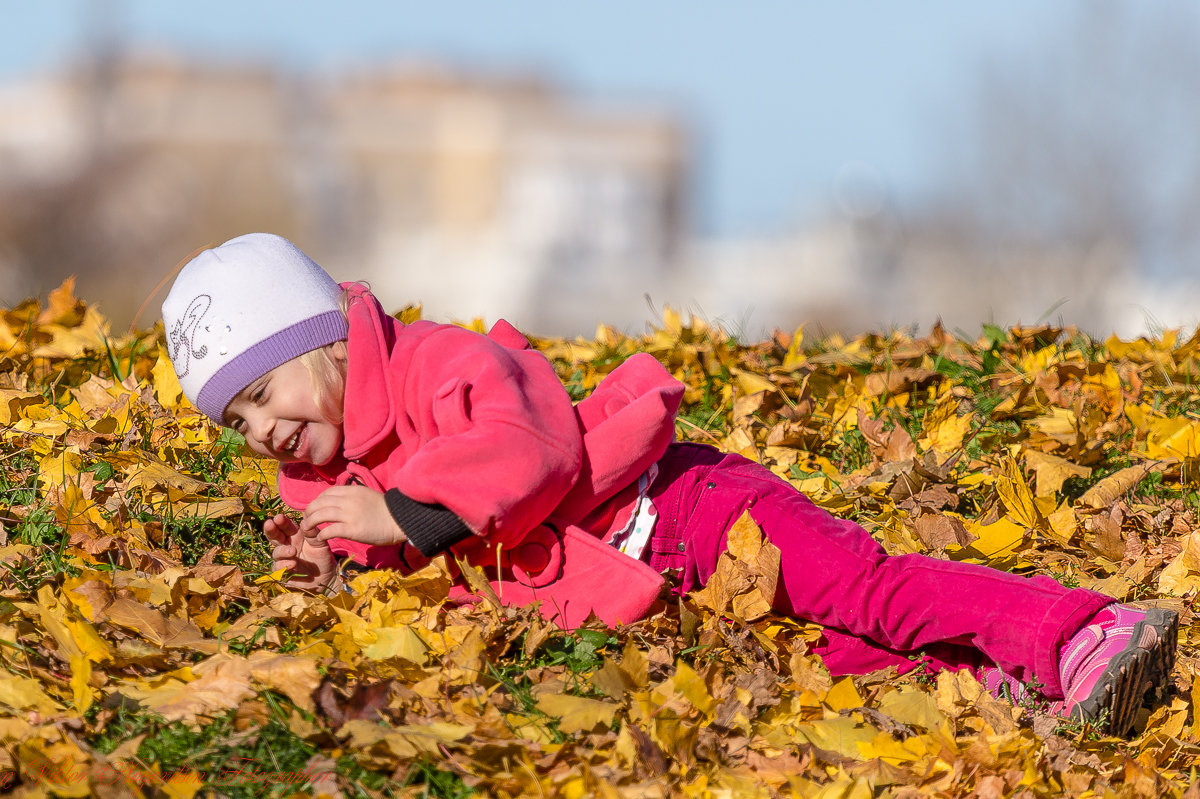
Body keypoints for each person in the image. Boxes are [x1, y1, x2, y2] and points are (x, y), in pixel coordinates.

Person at [161, 233, 1178, 737]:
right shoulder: (326, 475)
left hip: (687, 506)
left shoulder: (439, 361)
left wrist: (397, 512)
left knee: (867, 590)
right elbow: (409, 564)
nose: (262, 430)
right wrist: (335, 561)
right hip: (654, 593)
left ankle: (1080, 631)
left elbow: (526, 451)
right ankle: (1014, 684)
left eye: (263, 390)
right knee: (836, 661)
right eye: (236, 422)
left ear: (325, 337)